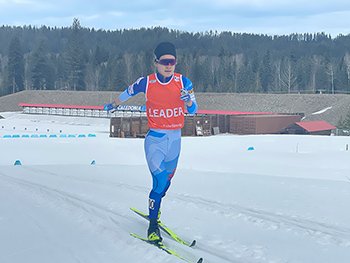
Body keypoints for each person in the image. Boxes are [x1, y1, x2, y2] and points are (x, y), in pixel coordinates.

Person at [104, 42, 198, 244]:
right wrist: (114, 104)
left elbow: (192, 110)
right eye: (164, 61)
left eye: (172, 61)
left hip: (175, 140)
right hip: (155, 140)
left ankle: (155, 205)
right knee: (160, 181)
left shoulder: (184, 82)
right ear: (156, 63)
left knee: (167, 183)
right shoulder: (147, 83)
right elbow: (127, 92)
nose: (168, 65)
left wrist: (188, 100)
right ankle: (153, 225)